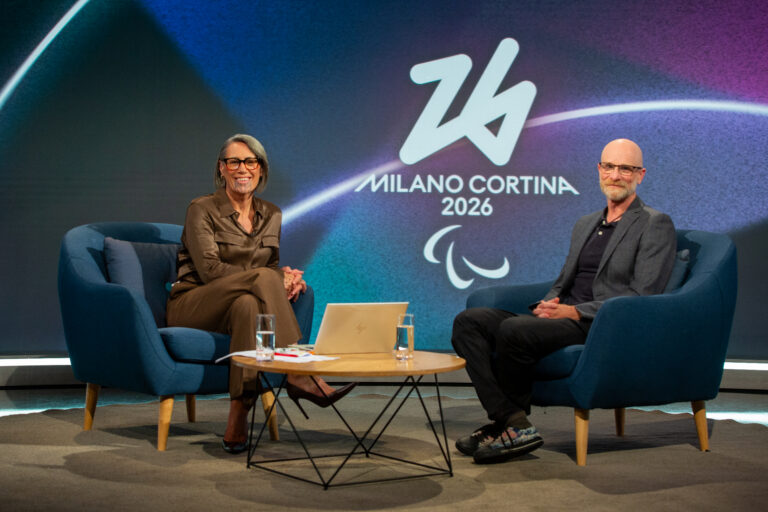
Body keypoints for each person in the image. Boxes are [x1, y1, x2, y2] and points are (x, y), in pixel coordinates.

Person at [451, 138, 676, 464]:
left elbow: (643, 295)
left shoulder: (655, 223)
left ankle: (506, 427)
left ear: (640, 175)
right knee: (469, 322)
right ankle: (511, 420)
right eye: (609, 167)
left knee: (514, 331)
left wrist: (573, 311)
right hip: (565, 313)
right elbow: (563, 282)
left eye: (625, 169)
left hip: (597, 324)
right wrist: (547, 305)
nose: (616, 175)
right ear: (599, 170)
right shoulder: (586, 223)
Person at [166, 134, 355, 454]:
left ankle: (238, 417)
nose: (243, 168)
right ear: (221, 169)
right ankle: (299, 372)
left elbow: (269, 269)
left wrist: (287, 280)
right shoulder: (202, 209)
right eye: (234, 162)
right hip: (195, 302)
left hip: (237, 306)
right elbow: (210, 271)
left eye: (250, 161)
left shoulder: (272, 214)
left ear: (261, 169)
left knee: (248, 305)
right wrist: (272, 278)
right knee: (259, 287)